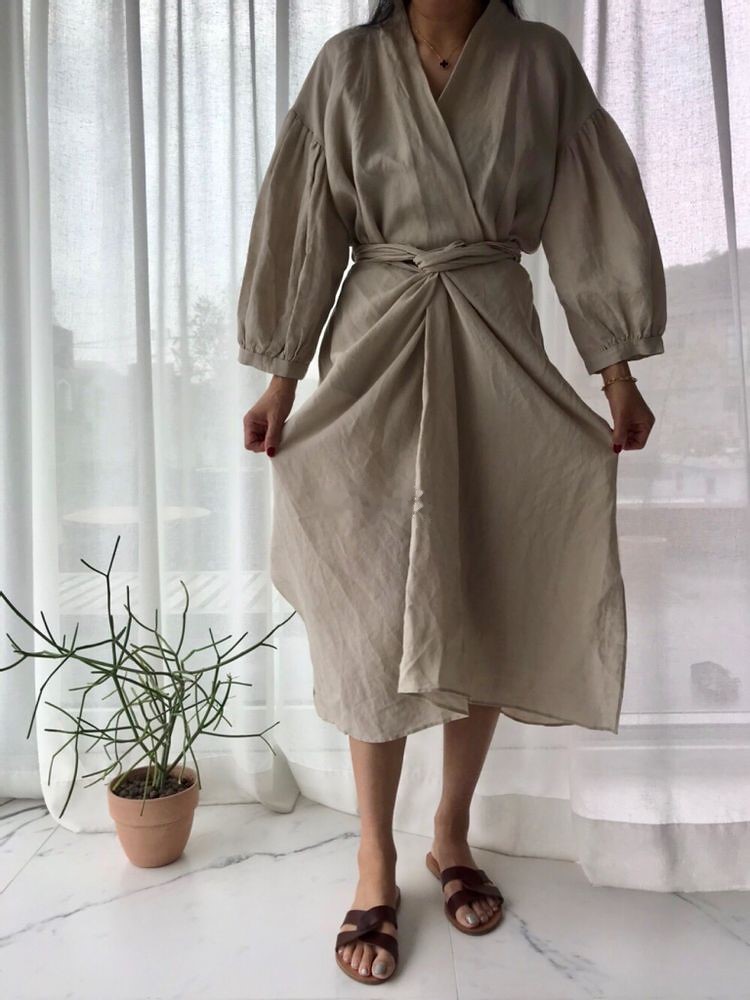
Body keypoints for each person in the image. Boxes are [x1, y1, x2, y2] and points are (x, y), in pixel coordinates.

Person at [236, 0, 666, 985]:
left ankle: (451, 831)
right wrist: (280, 379)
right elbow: (306, 225)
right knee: (370, 608)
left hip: (495, 341)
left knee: (487, 585)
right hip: (374, 345)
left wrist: (615, 373)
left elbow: (586, 217)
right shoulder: (348, 67)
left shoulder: (539, 61)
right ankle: (373, 860)